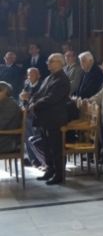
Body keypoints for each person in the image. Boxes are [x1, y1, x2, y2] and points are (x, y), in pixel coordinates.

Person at [28, 53, 70, 184]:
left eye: (51, 61)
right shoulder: (49, 77)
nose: (48, 63)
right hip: (45, 118)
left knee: (56, 147)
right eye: (48, 61)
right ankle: (50, 169)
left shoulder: (62, 79)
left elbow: (52, 98)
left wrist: (35, 105)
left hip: (55, 117)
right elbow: (39, 93)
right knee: (47, 146)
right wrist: (32, 101)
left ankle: (59, 174)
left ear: (60, 63)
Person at [0, 81, 22, 153]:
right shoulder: (4, 103)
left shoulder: (10, 105)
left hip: (8, 142)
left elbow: (1, 124)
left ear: (5, 91)